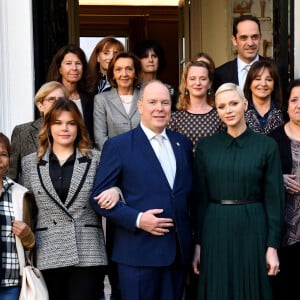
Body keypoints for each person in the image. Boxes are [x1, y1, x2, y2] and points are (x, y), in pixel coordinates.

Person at [91, 80, 194, 300]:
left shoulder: (182, 144)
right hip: (137, 254)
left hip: (177, 254)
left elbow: (189, 195)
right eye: (153, 102)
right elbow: (97, 199)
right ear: (140, 107)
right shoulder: (118, 145)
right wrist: (137, 219)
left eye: (165, 103)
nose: (160, 108)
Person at [192, 83, 285, 300]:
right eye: (222, 106)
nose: (229, 110)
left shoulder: (267, 146)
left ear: (244, 104)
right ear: (217, 111)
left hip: (254, 227)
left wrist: (272, 246)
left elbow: (274, 200)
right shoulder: (206, 147)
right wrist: (198, 244)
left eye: (233, 103)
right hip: (215, 229)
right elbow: (199, 200)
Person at [21, 99, 108, 300]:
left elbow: (113, 192)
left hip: (87, 253)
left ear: (79, 127)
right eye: (58, 123)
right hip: (47, 251)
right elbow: (28, 209)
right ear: (48, 127)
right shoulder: (30, 163)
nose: (65, 128)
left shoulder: (96, 159)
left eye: (71, 123)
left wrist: (115, 192)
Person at [269, 79, 300, 300]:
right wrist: (278, 179)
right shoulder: (273, 140)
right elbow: (260, 179)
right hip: (285, 232)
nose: (299, 105)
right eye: (294, 100)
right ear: (286, 105)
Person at [8, 81, 69, 183]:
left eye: (61, 100)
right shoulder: (22, 132)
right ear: (40, 105)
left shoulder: (75, 130)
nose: (57, 104)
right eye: (51, 99)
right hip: (32, 196)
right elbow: (11, 173)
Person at [0, 132, 35, 300]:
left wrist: (27, 235)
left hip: (12, 284)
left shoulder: (21, 194)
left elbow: (31, 245)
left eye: (3, 154)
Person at [168, 61, 224, 152]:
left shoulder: (219, 116)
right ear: (186, 83)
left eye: (203, 78)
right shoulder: (175, 118)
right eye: (192, 78)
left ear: (209, 84)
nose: (198, 83)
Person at [94, 51, 141, 151]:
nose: (124, 74)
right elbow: (100, 139)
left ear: (136, 73)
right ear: (112, 75)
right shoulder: (101, 99)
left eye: (129, 69)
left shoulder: (146, 97)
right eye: (118, 70)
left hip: (144, 158)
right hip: (115, 160)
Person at [47, 44, 94, 143]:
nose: (74, 68)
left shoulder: (91, 99)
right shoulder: (50, 98)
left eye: (78, 63)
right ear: (60, 69)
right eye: (68, 63)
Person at [213, 15, 270, 91]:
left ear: (260, 38)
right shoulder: (220, 74)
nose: (250, 43)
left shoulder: (276, 69)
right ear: (234, 40)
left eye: (254, 37)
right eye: (244, 38)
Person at [133, 39, 178, 111]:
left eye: (154, 56)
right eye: (145, 56)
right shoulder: (132, 90)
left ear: (159, 60)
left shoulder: (170, 90)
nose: (150, 60)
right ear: (138, 60)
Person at [244, 60, 284, 135]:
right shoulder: (241, 110)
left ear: (274, 85)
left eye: (269, 80)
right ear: (249, 84)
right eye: (258, 79)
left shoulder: (284, 111)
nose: (263, 84)